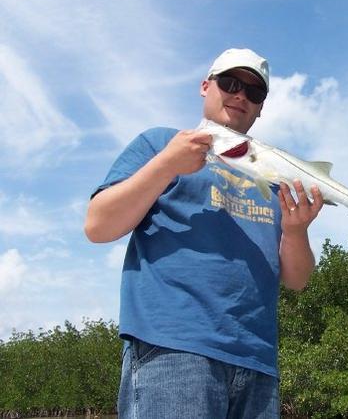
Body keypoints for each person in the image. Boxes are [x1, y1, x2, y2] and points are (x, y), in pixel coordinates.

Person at [84, 48, 324, 418]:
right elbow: (98, 226)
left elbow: (297, 280)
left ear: (261, 107)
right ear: (205, 86)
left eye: (254, 92)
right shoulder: (159, 143)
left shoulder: (274, 179)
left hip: (258, 362)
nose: (240, 95)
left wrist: (296, 230)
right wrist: (166, 165)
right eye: (230, 82)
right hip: (173, 349)